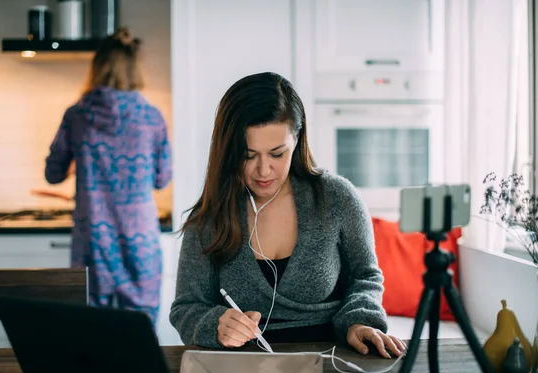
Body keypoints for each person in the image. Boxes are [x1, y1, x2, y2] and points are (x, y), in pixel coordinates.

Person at [169, 72, 406, 358]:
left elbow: (365, 277)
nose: (264, 171)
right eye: (248, 154)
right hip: (241, 367)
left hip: (331, 362)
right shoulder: (210, 217)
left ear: (297, 140)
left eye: (278, 153)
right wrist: (213, 325)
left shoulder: (336, 198)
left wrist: (359, 321)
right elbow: (186, 308)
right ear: (228, 151)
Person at [44, 27, 172, 324]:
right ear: (134, 68)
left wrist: (82, 159)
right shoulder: (151, 118)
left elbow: (52, 173)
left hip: (94, 239)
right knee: (140, 331)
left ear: (97, 67)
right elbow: (162, 178)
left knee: (92, 331)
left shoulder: (77, 116)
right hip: (140, 238)